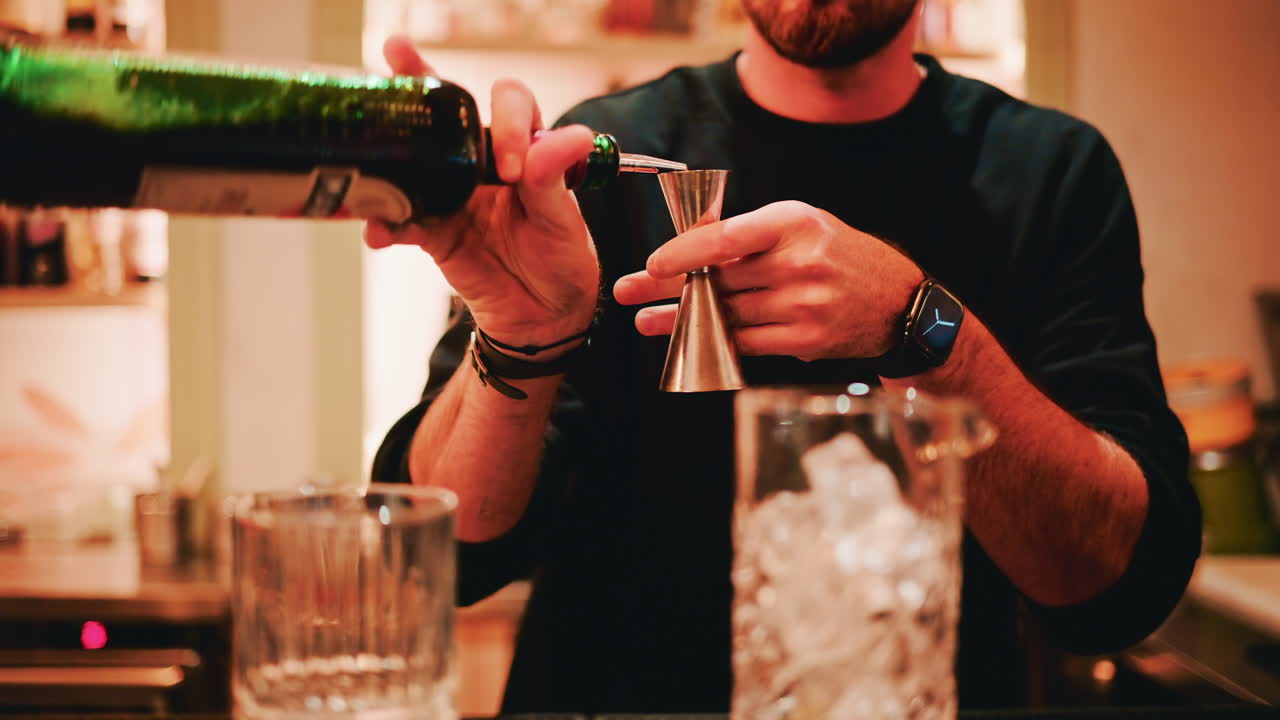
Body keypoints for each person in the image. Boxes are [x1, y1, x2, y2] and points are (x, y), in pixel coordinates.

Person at [368, 0, 1202, 713]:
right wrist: (519, 333)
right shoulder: (604, 156)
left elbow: (1119, 585)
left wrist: (922, 328)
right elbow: (443, 561)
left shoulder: (1050, 173)